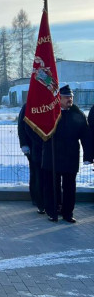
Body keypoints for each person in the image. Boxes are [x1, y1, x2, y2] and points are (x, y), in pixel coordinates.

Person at [42, 85, 92, 223]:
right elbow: (39, 131)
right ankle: (53, 211)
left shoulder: (78, 114)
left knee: (69, 187)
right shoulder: (50, 113)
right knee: (52, 185)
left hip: (70, 156)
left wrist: (88, 156)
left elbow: (86, 136)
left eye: (71, 97)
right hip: (52, 156)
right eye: (66, 97)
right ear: (59, 98)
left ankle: (68, 212)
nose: (69, 99)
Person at [18, 102, 45, 214]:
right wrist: (24, 144)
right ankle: (36, 197)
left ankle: (45, 197)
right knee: (35, 172)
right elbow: (21, 126)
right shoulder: (27, 106)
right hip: (31, 146)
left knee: (45, 173)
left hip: (46, 146)